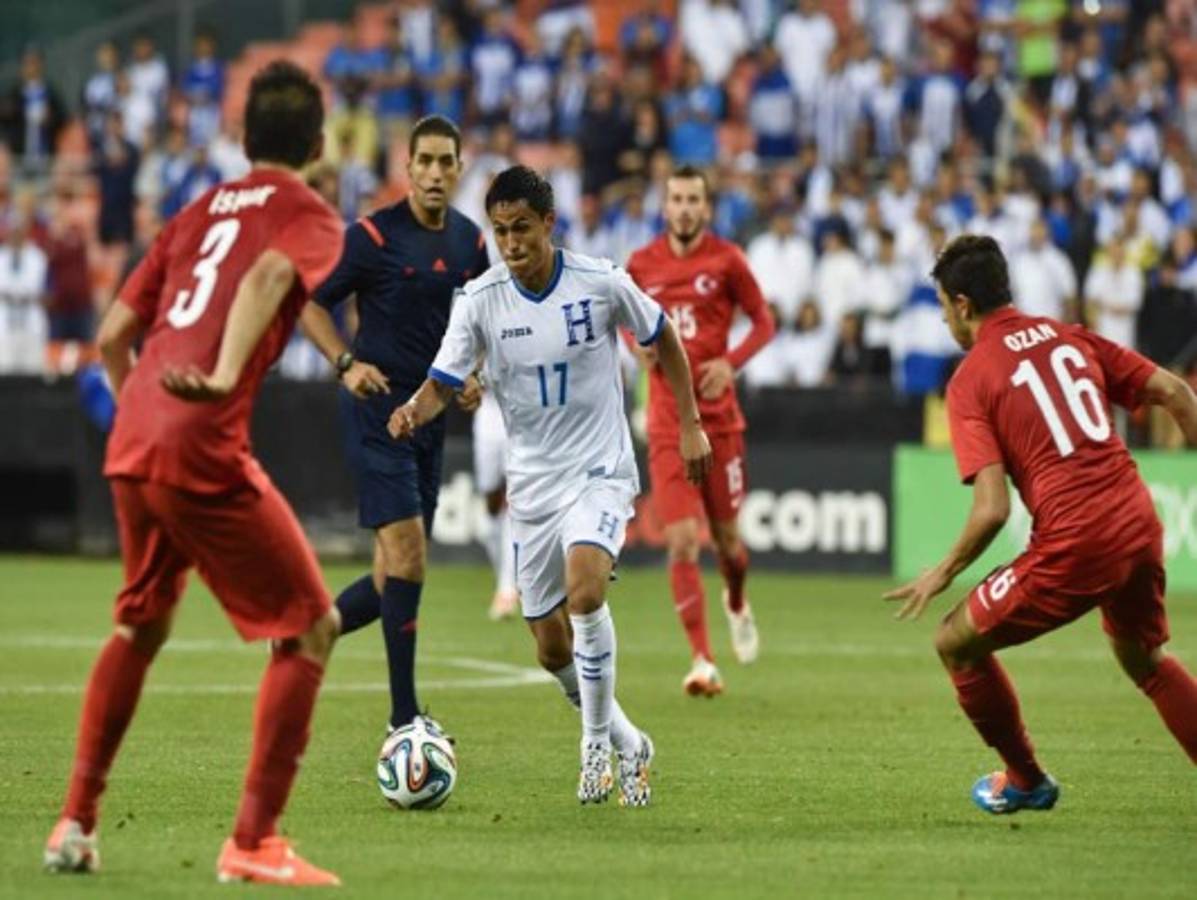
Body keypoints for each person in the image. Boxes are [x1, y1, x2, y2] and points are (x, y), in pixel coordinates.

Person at [43, 60, 344, 885]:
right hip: (199, 440)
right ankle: (253, 841)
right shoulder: (307, 211)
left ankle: (75, 824)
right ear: (318, 145)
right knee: (311, 626)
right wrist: (218, 378)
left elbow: (113, 334)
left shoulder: (196, 210)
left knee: (139, 626)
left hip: (134, 435)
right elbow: (271, 274)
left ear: (243, 141)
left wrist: (138, 413)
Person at [389, 165, 712, 805]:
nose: (511, 243)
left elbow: (663, 336)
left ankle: (593, 747)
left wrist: (690, 424)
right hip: (533, 486)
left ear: (548, 224)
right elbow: (442, 384)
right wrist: (410, 412)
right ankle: (629, 740)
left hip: (598, 469)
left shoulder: (601, 281)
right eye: (500, 231)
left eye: (522, 229)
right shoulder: (480, 300)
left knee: (585, 591)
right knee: (548, 645)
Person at [885, 234, 1197, 815]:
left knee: (955, 642)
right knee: (1145, 660)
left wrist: (943, 571)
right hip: (1136, 519)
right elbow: (1176, 392)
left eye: (944, 307)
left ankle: (1025, 779)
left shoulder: (971, 379)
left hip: (1077, 542)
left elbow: (992, 509)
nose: (946, 320)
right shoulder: (1068, 335)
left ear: (961, 305)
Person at [300, 115, 488, 736]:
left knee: (392, 577)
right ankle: (404, 719)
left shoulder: (470, 243)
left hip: (429, 416)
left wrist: (474, 373)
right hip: (378, 412)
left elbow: (481, 323)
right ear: (407, 167)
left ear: (459, 169)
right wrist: (345, 364)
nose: (434, 173)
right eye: (424, 161)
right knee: (408, 558)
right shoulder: (373, 236)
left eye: (445, 162)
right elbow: (311, 304)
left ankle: (309, 634)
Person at [625, 166, 774, 696]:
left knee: (729, 543)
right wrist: (635, 346)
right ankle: (702, 660)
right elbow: (620, 317)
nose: (685, 208)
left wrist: (731, 363)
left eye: (694, 200)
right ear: (664, 206)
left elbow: (764, 322)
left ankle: (736, 598)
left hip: (721, 422)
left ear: (706, 208)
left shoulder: (728, 260)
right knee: (683, 541)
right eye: (677, 199)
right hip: (668, 422)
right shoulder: (641, 264)